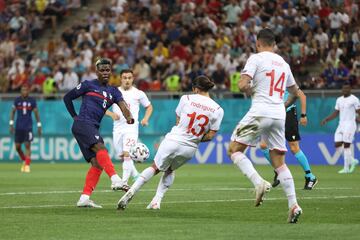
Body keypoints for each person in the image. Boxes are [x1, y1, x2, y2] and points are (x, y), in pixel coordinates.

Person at [227, 28, 302, 223]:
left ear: (258, 43)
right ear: (274, 44)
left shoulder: (256, 58)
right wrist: (281, 105)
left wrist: (251, 91)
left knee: (234, 150)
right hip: (279, 115)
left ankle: (259, 182)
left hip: (260, 112)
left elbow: (242, 85)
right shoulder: (284, 64)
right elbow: (295, 92)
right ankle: (293, 205)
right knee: (280, 162)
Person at [117, 75, 224, 210]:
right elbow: (210, 136)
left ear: (196, 89)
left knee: (155, 167)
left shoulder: (186, 98)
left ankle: (131, 192)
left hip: (174, 140)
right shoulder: (218, 110)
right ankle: (156, 201)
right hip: (190, 148)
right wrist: (194, 137)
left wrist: (184, 132)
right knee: (170, 170)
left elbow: (178, 120)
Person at [63, 58, 135, 208]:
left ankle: (84, 198)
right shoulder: (88, 85)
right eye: (102, 70)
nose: (105, 72)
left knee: (97, 164)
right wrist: (74, 117)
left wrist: (129, 116)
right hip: (83, 123)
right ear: (96, 72)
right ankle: (115, 179)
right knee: (100, 148)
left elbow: (123, 106)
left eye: (107, 70)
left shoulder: (114, 91)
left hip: (92, 127)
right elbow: (67, 97)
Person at [260, 89, 318, 190]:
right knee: (263, 145)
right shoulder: (268, 79)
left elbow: (302, 96)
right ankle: (278, 171)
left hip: (288, 114)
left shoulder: (286, 78)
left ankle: (310, 176)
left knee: (294, 147)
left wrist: (303, 115)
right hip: (274, 115)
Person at [105, 69, 153, 185]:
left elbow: (149, 107)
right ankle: (136, 174)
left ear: (133, 79)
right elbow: (101, 107)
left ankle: (124, 182)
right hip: (117, 128)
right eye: (125, 78)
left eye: (129, 78)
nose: (127, 80)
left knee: (127, 154)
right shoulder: (113, 92)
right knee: (122, 155)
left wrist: (145, 119)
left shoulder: (138, 93)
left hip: (131, 128)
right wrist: (111, 114)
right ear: (120, 79)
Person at [321, 83, 360, 173]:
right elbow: (336, 112)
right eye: (343, 89)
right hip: (341, 124)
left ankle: (346, 168)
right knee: (337, 144)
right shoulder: (339, 99)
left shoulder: (354, 99)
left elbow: (358, 111)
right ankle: (352, 161)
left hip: (350, 124)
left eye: (347, 89)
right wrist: (327, 119)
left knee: (346, 145)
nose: (345, 90)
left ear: (350, 89)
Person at [9, 85, 42, 173]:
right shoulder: (17, 100)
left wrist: (39, 125)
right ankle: (24, 160)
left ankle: (27, 165)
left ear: (28, 91)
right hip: (18, 126)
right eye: (23, 90)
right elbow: (12, 112)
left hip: (28, 126)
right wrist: (11, 124)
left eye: (26, 90)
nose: (24, 92)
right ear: (21, 91)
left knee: (27, 145)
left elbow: (36, 113)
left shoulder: (32, 101)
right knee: (17, 147)